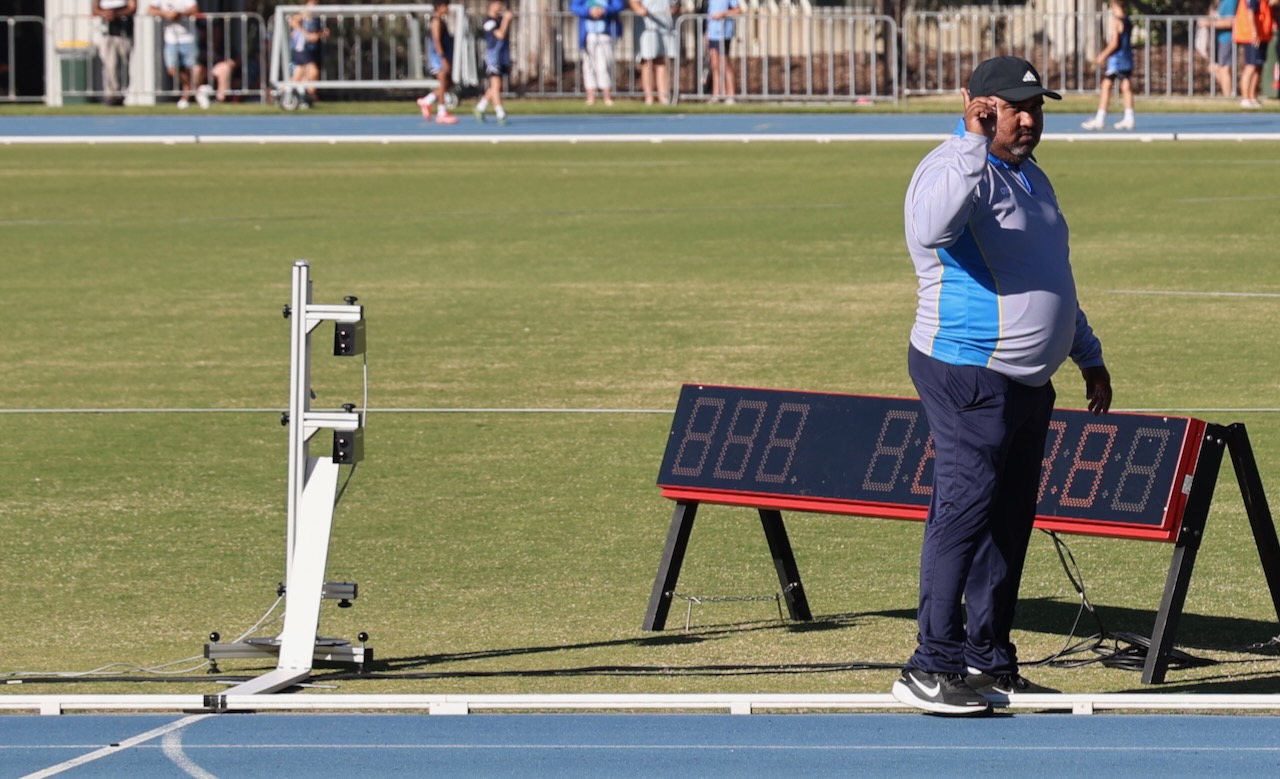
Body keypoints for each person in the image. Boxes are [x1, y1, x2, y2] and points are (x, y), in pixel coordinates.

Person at [894, 55, 1113, 716]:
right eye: (1009, 107)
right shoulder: (951, 166)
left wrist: (1086, 354)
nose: (1024, 119)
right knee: (964, 510)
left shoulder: (1031, 176)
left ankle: (990, 661)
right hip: (967, 372)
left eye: (1033, 107)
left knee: (1007, 522)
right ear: (973, 104)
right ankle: (930, 666)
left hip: (1026, 381)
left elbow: (1050, 277)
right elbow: (928, 229)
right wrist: (969, 141)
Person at [1082, 0, 1135, 130]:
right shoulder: (1127, 20)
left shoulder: (1116, 21)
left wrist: (1102, 56)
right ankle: (1129, 117)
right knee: (1125, 85)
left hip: (1117, 59)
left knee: (1106, 86)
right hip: (1127, 57)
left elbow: (1115, 43)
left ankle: (1101, 118)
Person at [148, 0, 200, 109]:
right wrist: (165, 14)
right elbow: (150, 10)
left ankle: (185, 98)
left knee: (189, 70)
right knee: (172, 69)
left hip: (188, 38)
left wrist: (179, 14)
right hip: (171, 40)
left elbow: (195, 8)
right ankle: (194, 89)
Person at [570, 0, 624, 106]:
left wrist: (604, 11)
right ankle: (591, 97)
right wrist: (589, 11)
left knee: (603, 66)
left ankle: (607, 96)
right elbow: (574, 6)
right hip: (588, 35)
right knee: (589, 66)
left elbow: (619, 5)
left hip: (605, 34)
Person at [416, 0, 459, 124]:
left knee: (448, 83)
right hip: (437, 57)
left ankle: (427, 101)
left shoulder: (441, 21)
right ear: (440, 7)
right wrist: (442, 57)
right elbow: (436, 41)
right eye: (446, 6)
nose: (448, 8)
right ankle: (441, 112)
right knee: (443, 83)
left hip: (443, 55)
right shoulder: (436, 21)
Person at [630, 0, 679, 105]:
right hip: (647, 27)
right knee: (647, 62)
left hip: (665, 27)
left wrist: (675, 9)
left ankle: (663, 96)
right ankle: (649, 97)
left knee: (661, 61)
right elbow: (634, 3)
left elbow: (677, 4)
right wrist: (639, 9)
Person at [475, 0, 513, 124]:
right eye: (497, 3)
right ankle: (500, 113)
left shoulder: (499, 20)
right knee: (496, 85)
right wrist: (506, 20)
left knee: (497, 85)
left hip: (502, 55)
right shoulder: (489, 22)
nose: (500, 6)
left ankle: (481, 107)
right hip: (493, 57)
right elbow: (500, 35)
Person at [94, 0, 135, 106]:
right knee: (109, 65)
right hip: (107, 33)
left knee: (123, 65)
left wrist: (116, 14)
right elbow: (95, 9)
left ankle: (121, 94)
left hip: (124, 33)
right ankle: (111, 95)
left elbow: (132, 7)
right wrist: (105, 14)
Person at [288, 0, 329, 108]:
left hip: (310, 49)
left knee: (299, 74)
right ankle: (308, 95)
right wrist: (306, 34)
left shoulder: (316, 14)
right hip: (301, 47)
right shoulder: (305, 12)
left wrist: (321, 33)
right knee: (313, 71)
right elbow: (293, 21)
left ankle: (285, 93)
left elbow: (314, 31)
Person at [1234, 0, 1274, 107]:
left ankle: (1252, 97)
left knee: (1258, 67)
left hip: (1263, 35)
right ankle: (1245, 98)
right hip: (1252, 36)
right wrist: (1254, 32)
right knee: (1251, 66)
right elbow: (1250, 12)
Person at [1198, 0, 1240, 96]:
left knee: (1224, 69)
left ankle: (1229, 97)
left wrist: (1209, 23)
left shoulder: (1230, 2)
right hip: (1219, 40)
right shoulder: (1220, 2)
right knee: (1212, 67)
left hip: (1227, 39)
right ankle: (1230, 92)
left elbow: (1230, 22)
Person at [704, 0, 742, 104]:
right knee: (714, 65)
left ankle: (731, 95)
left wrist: (723, 14)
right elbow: (709, 14)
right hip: (713, 33)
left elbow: (738, 10)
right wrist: (707, 33)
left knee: (725, 64)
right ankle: (716, 94)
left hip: (724, 33)